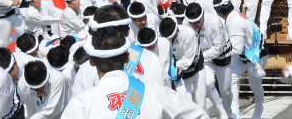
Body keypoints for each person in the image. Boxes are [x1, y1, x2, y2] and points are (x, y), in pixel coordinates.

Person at [62, 27, 208, 119]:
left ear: (92, 61)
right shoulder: (156, 92)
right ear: (128, 57)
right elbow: (199, 115)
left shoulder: (81, 103)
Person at [213, 0, 267, 119]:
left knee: (255, 85)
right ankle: (235, 113)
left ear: (218, 12)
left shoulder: (234, 22)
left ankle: (259, 108)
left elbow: (236, 49)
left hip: (256, 55)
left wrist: (217, 54)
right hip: (242, 54)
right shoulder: (234, 14)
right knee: (231, 79)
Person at [184, 3, 232, 119]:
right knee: (208, 83)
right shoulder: (186, 23)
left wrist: (199, 56)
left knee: (225, 91)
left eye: (197, 22)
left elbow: (217, 49)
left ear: (203, 15)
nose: (194, 25)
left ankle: (228, 111)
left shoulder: (214, 22)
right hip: (204, 58)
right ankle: (221, 111)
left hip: (222, 56)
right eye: (191, 22)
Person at [159, 17, 207, 111]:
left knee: (201, 104)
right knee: (187, 104)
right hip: (180, 73)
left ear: (176, 29)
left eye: (171, 37)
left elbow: (188, 59)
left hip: (196, 68)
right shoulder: (163, 37)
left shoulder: (189, 33)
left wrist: (172, 66)